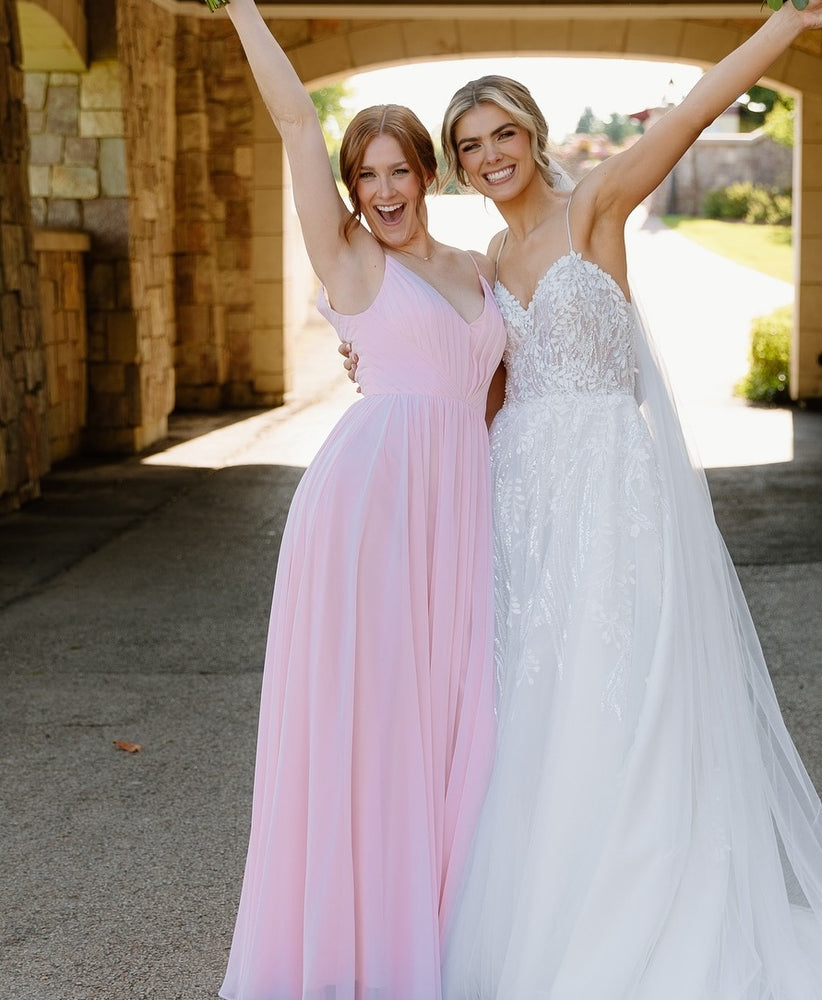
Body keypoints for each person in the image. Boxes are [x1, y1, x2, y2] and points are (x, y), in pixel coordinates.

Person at [421, 2, 822, 998]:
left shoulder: (594, 205)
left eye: (502, 134)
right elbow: (467, 382)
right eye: (469, 147)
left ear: (532, 132)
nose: (489, 156)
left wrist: (787, 20)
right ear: (456, 164)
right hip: (521, 495)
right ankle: (542, 913)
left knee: (619, 692)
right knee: (536, 702)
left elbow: (692, 111)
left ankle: (631, 919)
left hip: (607, 485)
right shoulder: (482, 267)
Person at [214, 2, 506, 998]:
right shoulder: (350, 258)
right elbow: (297, 121)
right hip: (370, 509)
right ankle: (362, 951)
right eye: (364, 174)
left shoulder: (474, 268)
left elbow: (498, 393)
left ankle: (441, 930)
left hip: (464, 508)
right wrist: (242, 8)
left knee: (458, 715)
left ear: (428, 172)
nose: (380, 189)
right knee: (376, 720)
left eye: (397, 169)